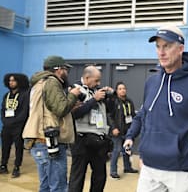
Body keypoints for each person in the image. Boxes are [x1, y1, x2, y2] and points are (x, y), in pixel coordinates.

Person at [123, 25, 188, 192]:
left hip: (182, 169)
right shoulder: (151, 82)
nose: (161, 52)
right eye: (158, 46)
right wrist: (139, 145)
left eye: (167, 46)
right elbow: (144, 115)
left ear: (180, 49)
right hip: (150, 167)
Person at [22, 55, 81, 191]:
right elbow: (60, 109)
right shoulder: (52, 82)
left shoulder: (39, 83)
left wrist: (71, 106)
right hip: (49, 143)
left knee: (46, 187)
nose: (67, 72)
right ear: (59, 69)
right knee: (58, 188)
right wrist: (73, 95)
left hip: (39, 141)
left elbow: (48, 110)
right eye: (66, 69)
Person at [68, 65, 113, 192]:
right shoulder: (75, 90)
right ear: (87, 78)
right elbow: (75, 114)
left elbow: (109, 111)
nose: (98, 83)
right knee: (78, 177)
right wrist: (94, 99)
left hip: (98, 139)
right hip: (81, 140)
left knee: (100, 176)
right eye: (96, 80)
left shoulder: (97, 91)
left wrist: (109, 97)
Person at [0, 73, 30, 178]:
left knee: (18, 147)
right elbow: (3, 110)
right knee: (5, 146)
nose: (11, 82)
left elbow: (24, 112)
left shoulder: (24, 95)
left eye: (13, 80)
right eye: (9, 80)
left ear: (19, 81)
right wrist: (4, 120)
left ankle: (17, 167)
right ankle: (3, 165)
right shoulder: (6, 95)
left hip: (18, 126)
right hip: (6, 126)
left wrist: (14, 121)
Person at [107, 81, 138, 179]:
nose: (122, 90)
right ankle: (113, 171)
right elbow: (110, 116)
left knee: (127, 150)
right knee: (117, 150)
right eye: (120, 89)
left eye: (124, 88)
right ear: (116, 91)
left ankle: (127, 167)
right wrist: (113, 128)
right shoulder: (114, 101)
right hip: (117, 131)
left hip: (127, 130)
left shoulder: (129, 101)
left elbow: (133, 115)